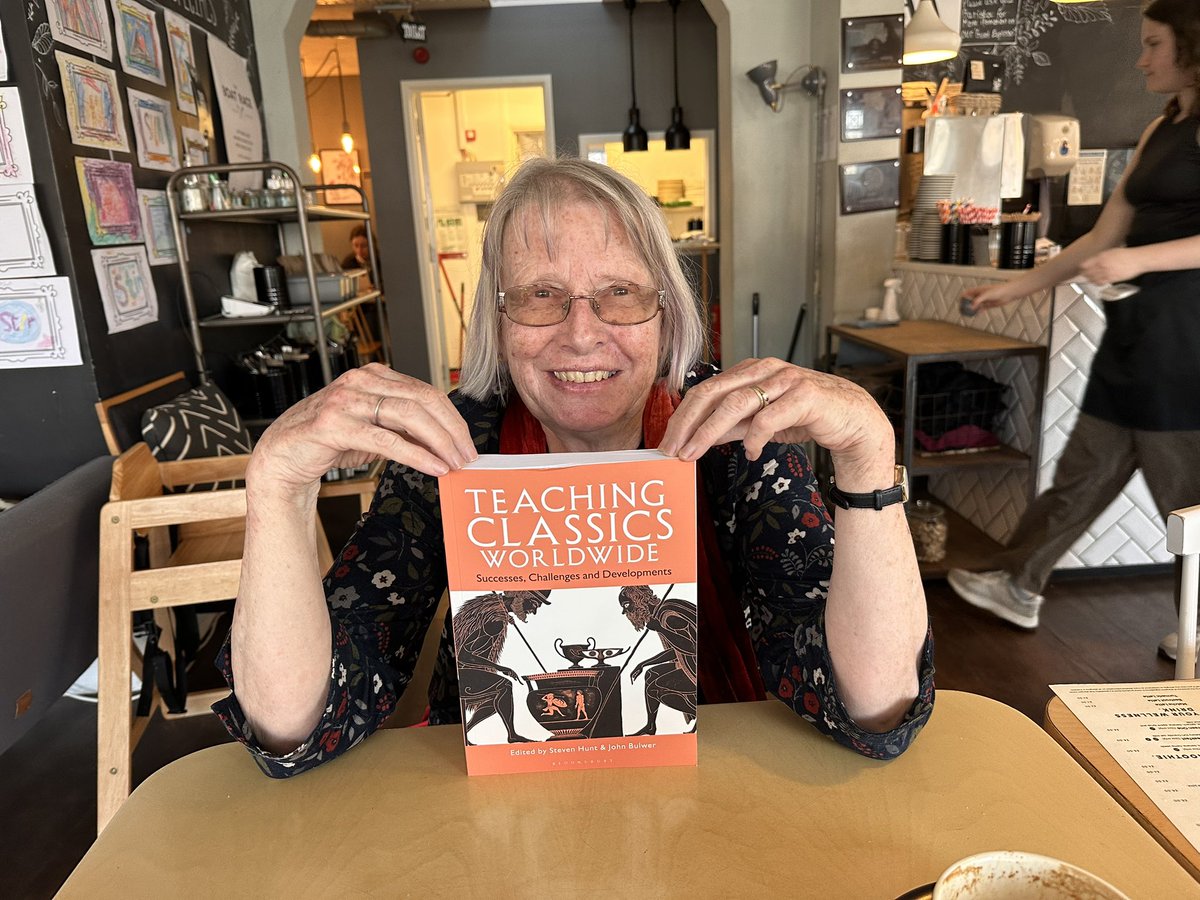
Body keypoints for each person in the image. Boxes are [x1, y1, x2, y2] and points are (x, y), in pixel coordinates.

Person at [213, 157, 933, 776]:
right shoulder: (456, 445)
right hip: (503, 806)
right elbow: (294, 727)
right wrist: (276, 484)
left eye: (620, 293)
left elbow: (872, 708)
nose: (582, 334)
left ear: (666, 313)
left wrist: (870, 453)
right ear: (496, 320)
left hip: (728, 792)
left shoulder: (737, 437)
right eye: (539, 296)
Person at [948, 0, 1200, 660]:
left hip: (1185, 343)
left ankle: (1198, 628)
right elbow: (1101, 235)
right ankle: (1017, 583)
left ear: (1194, 47)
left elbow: (1130, 249)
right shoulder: (1163, 127)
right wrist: (1014, 287)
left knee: (1188, 501)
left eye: (1154, 45)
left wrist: (1140, 259)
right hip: (1135, 336)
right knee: (1084, 472)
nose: (1141, 58)